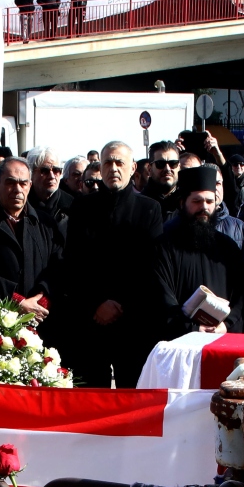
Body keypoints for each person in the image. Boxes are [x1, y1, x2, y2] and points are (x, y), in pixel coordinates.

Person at [60, 141, 163, 385]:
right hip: (91, 319)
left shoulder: (149, 209)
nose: (113, 168)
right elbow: (74, 262)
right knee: (92, 400)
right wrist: (96, 304)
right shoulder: (82, 207)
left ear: (133, 168)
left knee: (132, 399)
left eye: (119, 162)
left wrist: (121, 304)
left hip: (132, 323)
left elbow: (151, 267)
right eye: (108, 162)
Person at [153, 168, 244, 336]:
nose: (204, 207)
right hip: (178, 341)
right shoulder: (163, 247)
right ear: (182, 203)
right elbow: (161, 297)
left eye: (209, 201)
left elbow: (241, 296)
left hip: (220, 337)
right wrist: (192, 328)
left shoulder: (229, 247)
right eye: (197, 201)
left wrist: (226, 324)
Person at [0, 157, 63, 312]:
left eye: (23, 183)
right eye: (10, 182)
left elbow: (58, 266)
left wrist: (41, 297)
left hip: (41, 318)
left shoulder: (46, 224)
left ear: (30, 185)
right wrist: (17, 301)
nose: (17, 189)